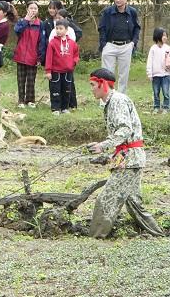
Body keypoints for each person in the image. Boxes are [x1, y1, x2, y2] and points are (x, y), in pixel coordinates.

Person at [86, 68, 164, 238]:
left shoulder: (118, 101)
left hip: (130, 159)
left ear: (102, 84)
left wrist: (103, 145)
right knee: (134, 203)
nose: (91, 88)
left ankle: (96, 238)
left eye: (93, 85)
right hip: (128, 157)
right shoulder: (111, 102)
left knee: (106, 199)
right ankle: (158, 234)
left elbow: (125, 130)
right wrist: (106, 154)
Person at [98, 0, 141, 94]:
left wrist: (133, 43)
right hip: (110, 45)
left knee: (124, 74)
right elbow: (102, 28)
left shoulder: (132, 12)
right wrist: (104, 44)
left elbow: (137, 28)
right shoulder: (108, 12)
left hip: (126, 46)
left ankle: (121, 97)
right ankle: (106, 97)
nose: (118, 0)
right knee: (107, 73)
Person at [45, 20, 79, 114]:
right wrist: (48, 71)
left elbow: (76, 54)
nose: (58, 30)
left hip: (68, 72)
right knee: (55, 90)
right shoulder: (52, 43)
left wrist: (74, 62)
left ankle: (65, 108)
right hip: (56, 71)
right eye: (57, 28)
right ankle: (55, 108)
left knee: (67, 90)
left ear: (66, 30)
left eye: (61, 28)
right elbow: (49, 57)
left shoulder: (72, 43)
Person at [13, 1, 43, 108]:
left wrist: (40, 57)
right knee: (21, 80)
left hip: (33, 56)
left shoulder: (40, 24)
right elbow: (17, 31)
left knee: (31, 80)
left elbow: (41, 42)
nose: (33, 10)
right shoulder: (22, 21)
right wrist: (26, 20)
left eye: (35, 8)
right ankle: (21, 100)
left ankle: (30, 100)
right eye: (31, 8)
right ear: (27, 9)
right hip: (20, 55)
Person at [145, 28, 170, 113]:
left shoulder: (168, 48)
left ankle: (166, 107)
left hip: (166, 75)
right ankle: (156, 107)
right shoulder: (153, 49)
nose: (165, 37)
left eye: (166, 36)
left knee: (166, 92)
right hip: (155, 75)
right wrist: (149, 73)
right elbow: (149, 61)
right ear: (158, 36)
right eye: (163, 35)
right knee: (156, 92)